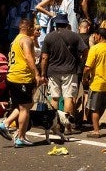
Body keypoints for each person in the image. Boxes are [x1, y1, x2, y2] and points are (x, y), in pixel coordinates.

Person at [40, 12, 86, 130]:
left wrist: (43, 74)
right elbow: (85, 51)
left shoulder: (49, 37)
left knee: (54, 98)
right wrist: (81, 60)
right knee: (68, 98)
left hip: (53, 71)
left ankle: (55, 125)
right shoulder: (74, 36)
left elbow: (44, 57)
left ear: (55, 24)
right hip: (70, 71)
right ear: (67, 23)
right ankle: (68, 127)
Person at [5, 19, 44, 147]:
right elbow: (28, 57)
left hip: (13, 75)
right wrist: (37, 74)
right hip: (21, 76)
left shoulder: (15, 40)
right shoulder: (26, 40)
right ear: (28, 28)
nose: (34, 30)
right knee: (25, 109)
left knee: (25, 105)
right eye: (33, 27)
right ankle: (20, 137)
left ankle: (5, 124)